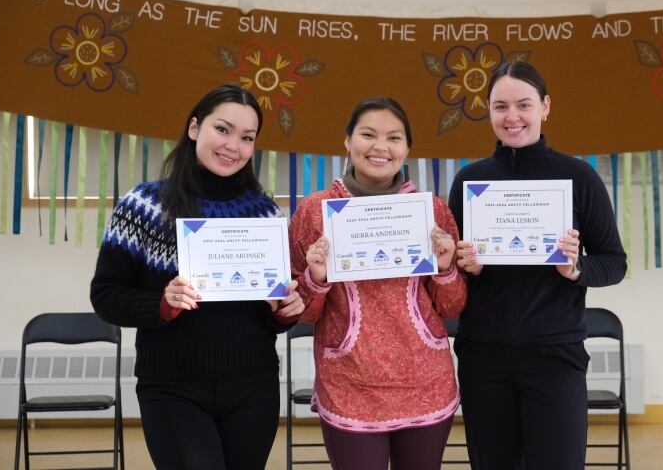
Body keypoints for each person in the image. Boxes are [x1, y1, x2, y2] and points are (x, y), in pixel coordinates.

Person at [90, 83, 304, 470]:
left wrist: (286, 310)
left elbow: (272, 317)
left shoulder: (266, 213)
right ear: (194, 128)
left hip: (253, 387)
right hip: (172, 388)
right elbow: (105, 296)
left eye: (247, 137)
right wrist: (161, 303)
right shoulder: (143, 205)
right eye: (222, 129)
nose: (232, 146)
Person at [447, 61, 627, 470]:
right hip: (483, 358)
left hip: (555, 355)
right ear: (488, 111)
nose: (512, 117)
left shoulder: (578, 176)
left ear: (545, 107)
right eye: (500, 106)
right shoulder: (469, 181)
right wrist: (466, 267)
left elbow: (615, 263)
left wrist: (576, 269)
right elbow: (451, 272)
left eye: (524, 104)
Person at [289, 97, 467, 470]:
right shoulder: (314, 211)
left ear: (407, 148)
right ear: (348, 141)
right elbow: (302, 313)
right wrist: (317, 278)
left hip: (426, 384)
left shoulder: (432, 209)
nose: (380, 147)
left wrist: (446, 267)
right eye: (368, 134)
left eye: (394, 137)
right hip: (349, 383)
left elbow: (452, 307)